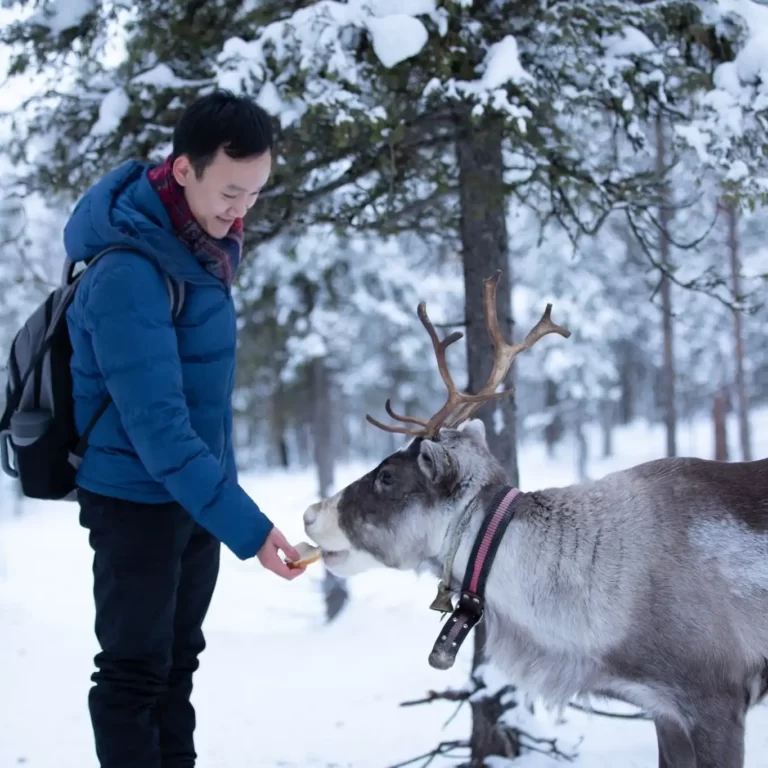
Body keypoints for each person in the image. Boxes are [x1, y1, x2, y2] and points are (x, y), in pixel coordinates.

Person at [63, 90, 306, 768]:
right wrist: (248, 528)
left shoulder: (198, 252)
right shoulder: (129, 272)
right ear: (182, 170)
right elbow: (160, 428)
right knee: (135, 674)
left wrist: (218, 503)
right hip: (134, 502)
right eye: (230, 192)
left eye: (254, 193)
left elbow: (202, 408)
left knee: (175, 668)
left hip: (191, 499)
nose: (241, 211)